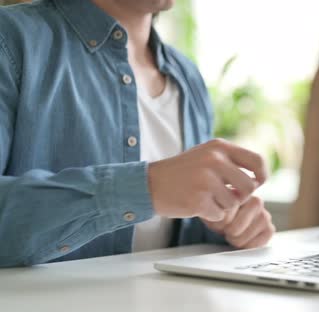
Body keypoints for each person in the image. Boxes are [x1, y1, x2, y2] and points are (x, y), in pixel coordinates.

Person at [0, 0, 275, 268]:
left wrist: (231, 227)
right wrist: (147, 187)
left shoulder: (188, 76)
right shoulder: (10, 40)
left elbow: (173, 235)